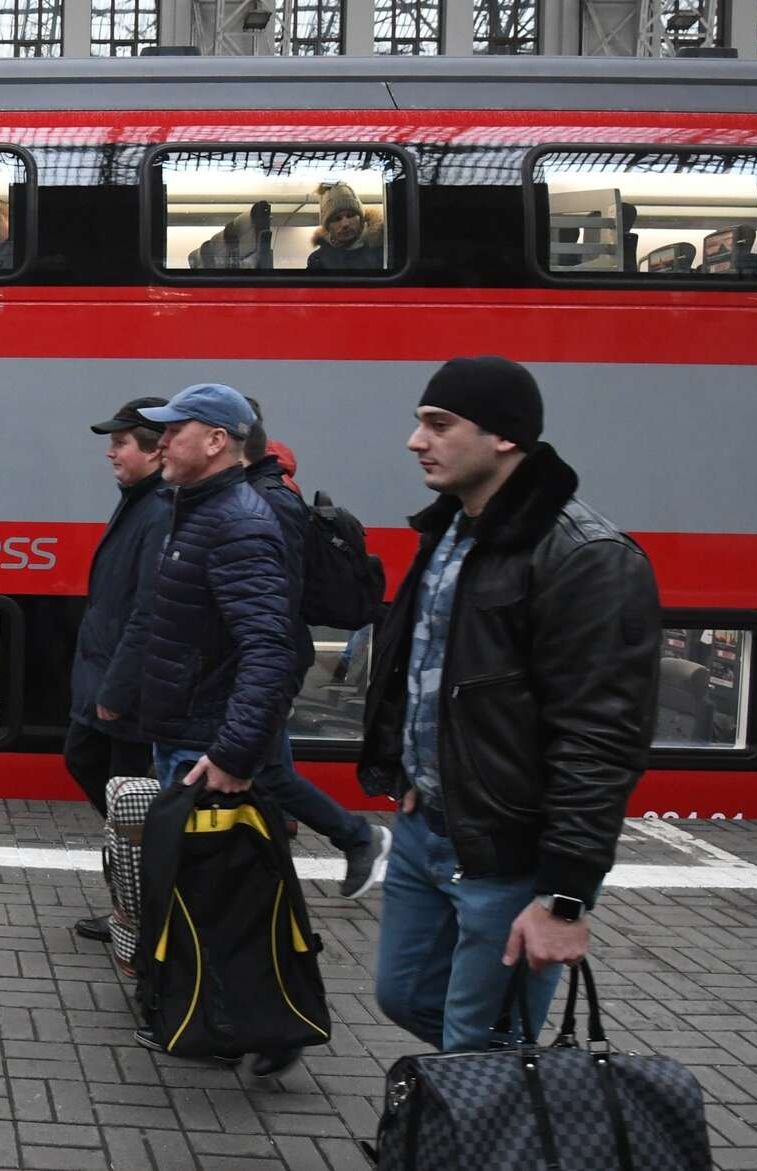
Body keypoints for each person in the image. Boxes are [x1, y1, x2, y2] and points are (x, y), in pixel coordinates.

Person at [362, 356, 660, 1052]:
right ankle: (489, 1107)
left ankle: (489, 1125)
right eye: (418, 424)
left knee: (480, 1042)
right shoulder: (450, 532)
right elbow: (427, 671)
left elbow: (601, 738)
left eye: (438, 424)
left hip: (509, 854)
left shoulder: (587, 557)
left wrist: (564, 897)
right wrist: (409, 769)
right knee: (403, 994)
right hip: (429, 826)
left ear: (504, 437)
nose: (416, 441)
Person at [124, 383, 301, 1076]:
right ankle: (221, 1015)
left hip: (206, 742)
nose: (160, 441)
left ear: (217, 440)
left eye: (175, 430)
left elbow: (268, 648)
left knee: (215, 893)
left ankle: (248, 1026)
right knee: (202, 889)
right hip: (187, 732)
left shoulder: (237, 522)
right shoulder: (195, 511)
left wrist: (232, 751)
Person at [241, 400, 391, 898]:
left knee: (261, 766)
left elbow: (271, 593)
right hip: (275, 653)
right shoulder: (269, 489)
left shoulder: (268, 499)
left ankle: (358, 837)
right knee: (271, 765)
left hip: (269, 654)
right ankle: (281, 829)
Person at [66, 396, 170, 943]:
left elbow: (149, 611)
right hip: (105, 677)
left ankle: (138, 910)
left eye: (121, 442)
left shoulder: (159, 510)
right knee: (89, 768)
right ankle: (133, 898)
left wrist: (118, 685)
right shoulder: (136, 500)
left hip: (125, 691)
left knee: (128, 804)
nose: (111, 452)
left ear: (156, 451)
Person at [307, 182, 385, 271]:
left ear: (361, 218)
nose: (345, 224)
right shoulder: (318, 261)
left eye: (350, 215)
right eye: (337, 219)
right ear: (328, 227)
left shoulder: (384, 251)